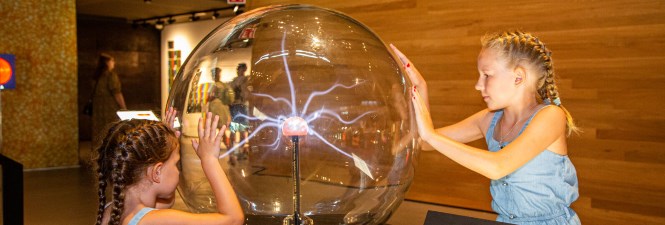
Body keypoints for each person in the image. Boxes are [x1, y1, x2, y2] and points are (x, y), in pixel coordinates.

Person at [390, 31, 581, 225]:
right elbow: (426, 142)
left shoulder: (550, 116)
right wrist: (422, 89)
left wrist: (431, 136)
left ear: (518, 77)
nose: (478, 85)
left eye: (486, 75)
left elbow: (498, 166)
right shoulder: (489, 119)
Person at [92, 108, 244, 225]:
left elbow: (166, 202)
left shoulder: (112, 210)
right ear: (157, 172)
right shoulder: (154, 221)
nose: (178, 171)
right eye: (176, 164)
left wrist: (164, 141)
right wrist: (209, 160)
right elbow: (233, 219)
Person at [92, 53, 127, 145]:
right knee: (111, 130)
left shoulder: (97, 75)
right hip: (109, 107)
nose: (114, 62)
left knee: (99, 131)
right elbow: (117, 93)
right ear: (107, 62)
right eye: (112, 60)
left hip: (98, 108)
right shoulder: (110, 75)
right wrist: (124, 107)